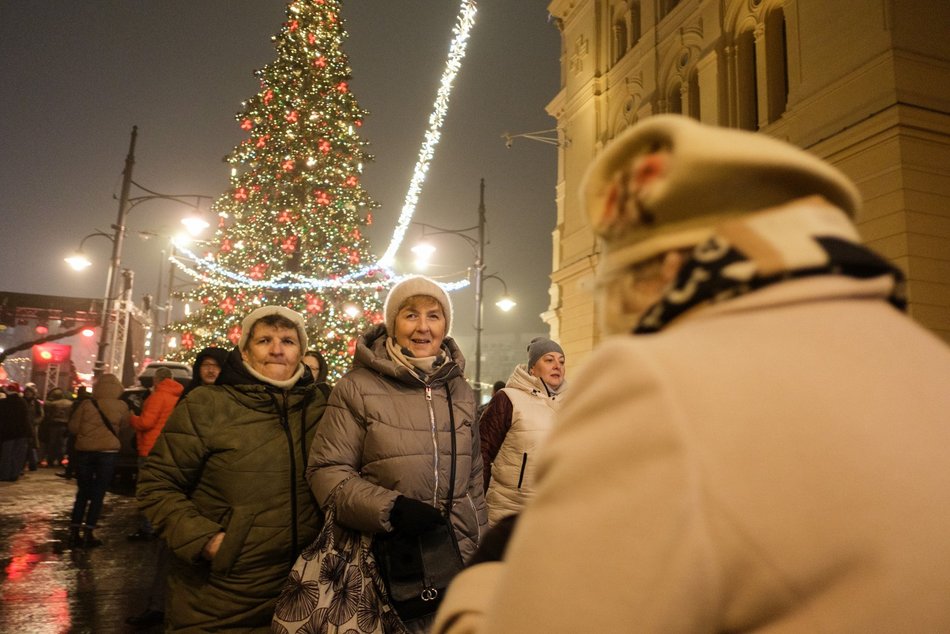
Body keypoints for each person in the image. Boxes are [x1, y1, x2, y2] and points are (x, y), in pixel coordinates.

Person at [433, 115, 950, 633]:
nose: (621, 322)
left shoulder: (658, 380)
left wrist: (488, 579)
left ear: (666, 269)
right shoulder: (928, 363)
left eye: (620, 290)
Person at [307, 275, 488, 633]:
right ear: (392, 323)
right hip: (384, 561)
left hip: (455, 556)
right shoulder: (358, 387)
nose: (423, 327)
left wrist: (481, 552)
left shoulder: (461, 390)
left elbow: (475, 479)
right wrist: (391, 508)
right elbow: (326, 472)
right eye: (410, 315)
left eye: (434, 316)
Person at [136, 306, 326, 632]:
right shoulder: (208, 405)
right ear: (245, 352)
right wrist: (207, 542)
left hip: (301, 590)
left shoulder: (318, 406)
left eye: (288, 341)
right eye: (264, 339)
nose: (277, 349)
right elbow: (157, 484)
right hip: (220, 596)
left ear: (301, 352)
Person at [125, 347, 225, 630]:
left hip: (216, 491)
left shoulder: (234, 399)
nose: (210, 370)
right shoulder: (186, 398)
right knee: (171, 550)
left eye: (215, 366)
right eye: (205, 365)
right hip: (185, 487)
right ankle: (159, 606)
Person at [477, 337, 567, 526]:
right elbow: (481, 453)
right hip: (508, 513)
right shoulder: (508, 399)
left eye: (561, 361)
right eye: (549, 360)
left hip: (554, 513)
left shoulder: (573, 403)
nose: (557, 366)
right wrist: (475, 504)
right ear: (532, 368)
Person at [67, 373, 130, 547]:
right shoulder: (122, 406)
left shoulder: (87, 404)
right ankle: (89, 531)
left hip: (85, 452)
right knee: (98, 493)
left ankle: (74, 531)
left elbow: (73, 427)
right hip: (108, 453)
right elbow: (125, 427)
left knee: (83, 492)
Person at [127, 367, 183, 541]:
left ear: (156, 380)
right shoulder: (176, 397)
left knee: (146, 490)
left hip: (149, 448)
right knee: (162, 490)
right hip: (166, 449)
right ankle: (162, 526)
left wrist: (132, 418)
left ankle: (147, 528)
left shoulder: (158, 396)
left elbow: (146, 423)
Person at [0, 383, 31, 481]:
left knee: (7, 455)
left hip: (8, 433)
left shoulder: (3, 403)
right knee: (18, 455)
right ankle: (14, 474)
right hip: (21, 433)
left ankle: (5, 475)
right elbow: (26, 419)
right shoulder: (23, 402)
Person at [42, 387, 73, 467]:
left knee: (52, 443)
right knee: (62, 444)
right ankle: (60, 460)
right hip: (65, 425)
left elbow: (49, 415)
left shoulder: (53, 404)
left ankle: (51, 460)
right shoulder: (70, 403)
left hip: (54, 425)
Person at [22, 382, 44, 470]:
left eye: (29, 392)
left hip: (32, 427)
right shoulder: (22, 401)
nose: (28, 394)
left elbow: (41, 415)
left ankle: (32, 464)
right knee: (25, 446)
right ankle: (27, 463)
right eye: (26, 392)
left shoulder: (36, 403)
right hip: (23, 427)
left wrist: (35, 422)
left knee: (31, 445)